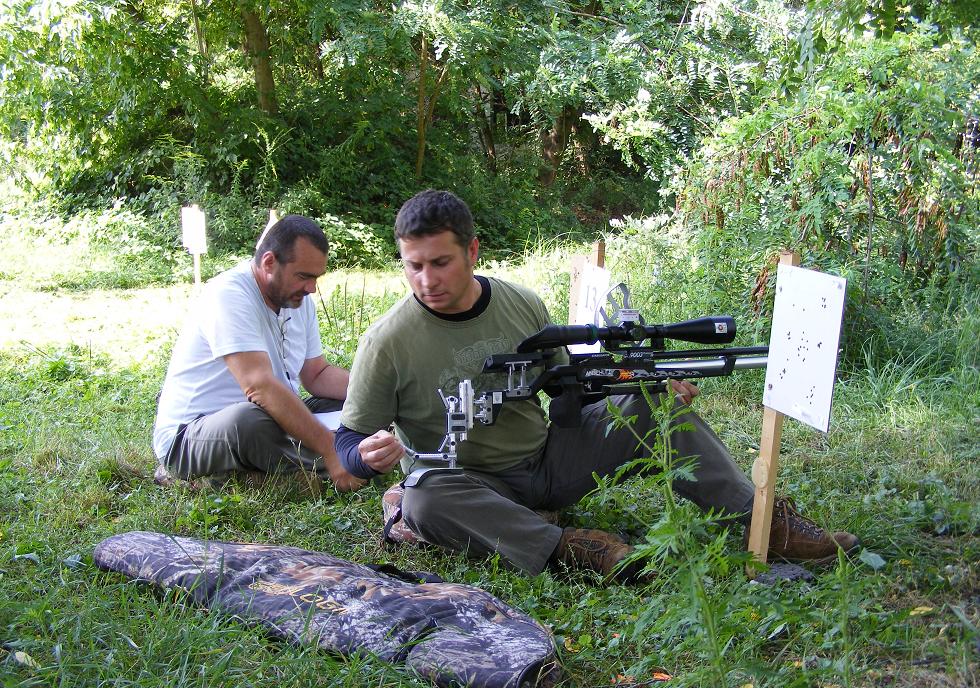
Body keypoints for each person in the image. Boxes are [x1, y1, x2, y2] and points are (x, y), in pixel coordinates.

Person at [335, 190, 858, 580]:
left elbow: (572, 389)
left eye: (440, 262)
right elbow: (347, 443)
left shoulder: (521, 303)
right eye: (413, 266)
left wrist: (642, 385)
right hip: (469, 484)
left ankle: (760, 523)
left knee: (652, 407)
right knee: (423, 503)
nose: (427, 280)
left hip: (548, 459)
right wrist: (365, 456)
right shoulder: (387, 341)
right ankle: (571, 548)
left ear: (472, 251)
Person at [153, 214, 363, 491]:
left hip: (271, 420)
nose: (311, 288)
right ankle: (343, 464)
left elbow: (317, 374)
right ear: (269, 263)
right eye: (303, 276)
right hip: (193, 436)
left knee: (350, 404)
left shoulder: (298, 300)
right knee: (247, 421)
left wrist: (376, 396)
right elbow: (259, 387)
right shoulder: (228, 295)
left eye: (316, 278)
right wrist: (328, 447)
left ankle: (314, 464)